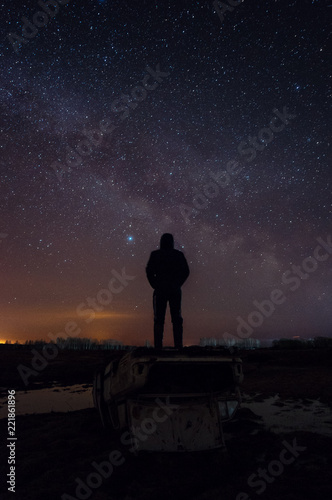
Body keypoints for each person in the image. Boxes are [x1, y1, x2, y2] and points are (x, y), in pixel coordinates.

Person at [146, 233, 190, 349]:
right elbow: (186, 271)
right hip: (174, 290)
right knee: (176, 318)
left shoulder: (155, 255)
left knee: (159, 319)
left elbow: (149, 271)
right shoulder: (178, 255)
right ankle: (178, 346)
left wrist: (155, 284)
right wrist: (178, 283)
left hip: (161, 290)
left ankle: (158, 346)